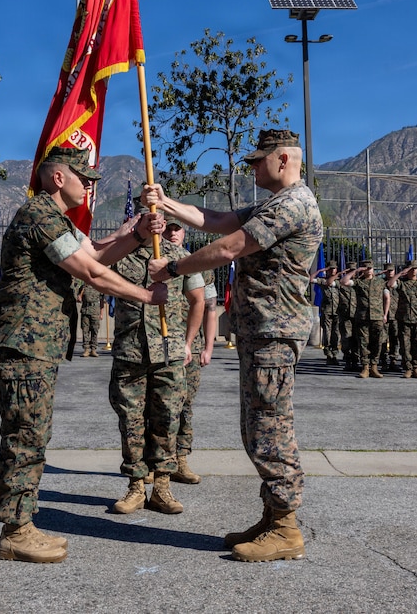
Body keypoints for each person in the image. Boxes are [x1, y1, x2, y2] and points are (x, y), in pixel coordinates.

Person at [143, 128, 322, 563]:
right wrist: (167, 204)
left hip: (274, 332)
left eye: (258, 160)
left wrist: (173, 269)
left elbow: (230, 247)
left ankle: (286, 528)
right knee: (256, 426)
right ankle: (273, 515)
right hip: (261, 332)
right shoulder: (274, 203)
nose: (252, 167)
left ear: (283, 159)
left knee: (270, 428)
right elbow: (217, 220)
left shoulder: (294, 204)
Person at [0, 146, 168, 565]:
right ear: (58, 178)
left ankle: (22, 524)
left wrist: (139, 235)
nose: (89, 185)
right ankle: (15, 531)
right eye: (83, 178)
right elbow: (90, 271)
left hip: (37, 345)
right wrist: (146, 295)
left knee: (34, 433)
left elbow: (97, 255)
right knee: (25, 434)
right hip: (24, 343)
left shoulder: (57, 220)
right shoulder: (39, 215)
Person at [108, 215, 205, 515]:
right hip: (131, 352)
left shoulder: (179, 257)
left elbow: (198, 299)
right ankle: (136, 487)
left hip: (169, 352)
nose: (155, 223)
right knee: (131, 422)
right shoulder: (120, 253)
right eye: (147, 216)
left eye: (160, 217)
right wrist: (122, 235)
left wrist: (188, 342)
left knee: (167, 420)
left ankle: (162, 486)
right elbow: (94, 267)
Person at [163, 220, 218, 485]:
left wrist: (208, 347)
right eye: (168, 229)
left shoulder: (199, 264)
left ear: (185, 232)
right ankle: (156, 461)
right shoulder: (155, 262)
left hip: (191, 348)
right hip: (162, 344)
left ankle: (181, 459)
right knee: (157, 405)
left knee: (185, 405)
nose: (172, 233)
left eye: (177, 229)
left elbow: (210, 308)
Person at [341, 260, 389, 379]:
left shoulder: (380, 282)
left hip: (377, 317)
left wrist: (385, 314)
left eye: (370, 268)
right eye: (366, 268)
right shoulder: (358, 282)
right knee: (363, 342)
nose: (368, 270)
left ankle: (374, 366)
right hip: (363, 317)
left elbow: (387, 298)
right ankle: (365, 367)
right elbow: (343, 282)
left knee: (377, 342)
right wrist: (356, 271)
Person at [387, 260, 417, 379]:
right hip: (404, 319)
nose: (413, 271)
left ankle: (416, 368)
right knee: (405, 345)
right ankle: (407, 369)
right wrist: (400, 273)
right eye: (411, 269)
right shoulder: (401, 283)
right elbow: (390, 284)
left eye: (415, 269)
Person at [310, 260, 340, 363]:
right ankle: (328, 354)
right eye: (330, 269)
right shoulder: (322, 280)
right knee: (327, 333)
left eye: (334, 268)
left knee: (336, 334)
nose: (332, 271)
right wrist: (319, 271)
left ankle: (334, 354)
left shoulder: (339, 280)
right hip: (327, 311)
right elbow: (310, 279)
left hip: (337, 311)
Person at [78, 282, 102, 357]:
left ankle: (93, 349)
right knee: (85, 330)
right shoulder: (83, 287)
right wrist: (79, 296)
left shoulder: (98, 286)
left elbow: (102, 302)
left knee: (95, 330)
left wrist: (101, 313)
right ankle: (86, 349)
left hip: (95, 311)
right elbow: (78, 298)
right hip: (85, 311)